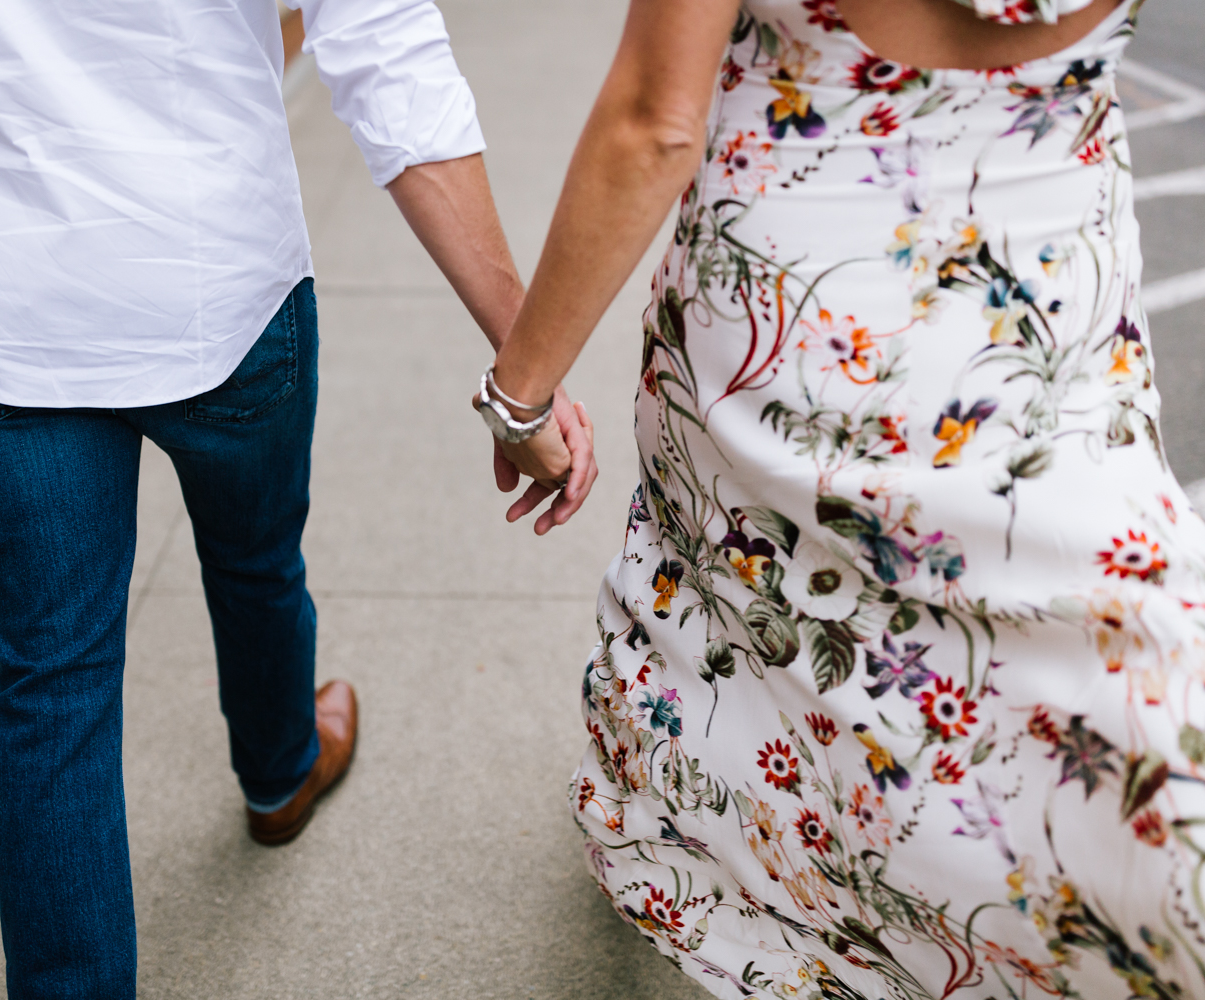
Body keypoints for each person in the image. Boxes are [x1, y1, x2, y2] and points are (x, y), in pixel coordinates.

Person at [0, 0, 595, 996]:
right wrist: (523, 363)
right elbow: (384, 48)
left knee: (53, 686)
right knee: (255, 557)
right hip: (215, 279)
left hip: (13, 305)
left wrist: (23, 82)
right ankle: (279, 775)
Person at [478, 0, 1205, 995]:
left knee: (753, 616)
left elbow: (656, 121)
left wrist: (520, 394)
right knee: (1084, 624)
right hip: (1044, 302)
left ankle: (753, 840)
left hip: (804, 303)